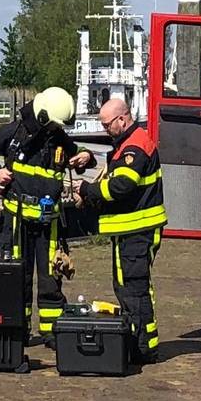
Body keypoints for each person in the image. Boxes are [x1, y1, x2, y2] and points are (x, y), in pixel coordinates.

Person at [0, 87, 95, 346]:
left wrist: (86, 156)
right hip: (17, 219)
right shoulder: (16, 132)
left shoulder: (58, 137)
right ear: (43, 117)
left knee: (50, 278)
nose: (56, 129)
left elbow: (83, 154)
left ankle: (51, 331)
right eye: (53, 124)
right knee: (18, 277)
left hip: (48, 222)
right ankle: (18, 330)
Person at [70, 99, 167, 364]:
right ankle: (137, 340)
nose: (104, 129)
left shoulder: (134, 146)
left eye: (106, 124)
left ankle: (143, 347)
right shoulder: (127, 143)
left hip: (138, 231)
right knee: (126, 286)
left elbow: (121, 186)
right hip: (130, 231)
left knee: (134, 288)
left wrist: (87, 191)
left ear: (122, 119)